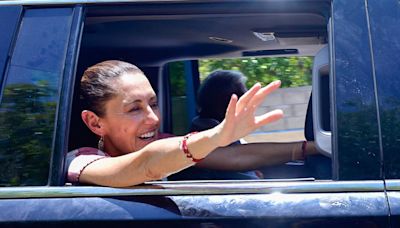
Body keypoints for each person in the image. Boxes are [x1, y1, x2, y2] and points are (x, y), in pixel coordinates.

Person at [65, 60, 306, 187]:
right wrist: (215, 136)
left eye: (154, 103)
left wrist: (309, 148)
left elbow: (235, 157)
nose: (154, 118)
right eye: (134, 108)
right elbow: (147, 165)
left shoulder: (159, 142)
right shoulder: (80, 160)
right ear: (94, 123)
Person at [169, 69, 318, 180]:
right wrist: (314, 147)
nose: (250, 105)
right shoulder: (201, 138)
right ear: (225, 104)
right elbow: (238, 157)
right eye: (244, 98)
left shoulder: (218, 133)